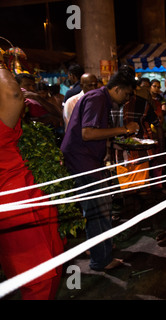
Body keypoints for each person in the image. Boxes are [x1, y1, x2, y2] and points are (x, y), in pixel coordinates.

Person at [60, 66, 139, 271]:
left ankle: (99, 246)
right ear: (119, 88)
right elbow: (88, 133)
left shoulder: (100, 98)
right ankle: (100, 259)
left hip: (87, 159)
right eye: (128, 94)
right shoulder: (97, 98)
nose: (127, 99)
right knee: (99, 207)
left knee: (98, 206)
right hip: (82, 159)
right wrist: (124, 129)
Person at [0, 51, 64, 299]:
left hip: (30, 197)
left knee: (55, 263)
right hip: (12, 207)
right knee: (37, 279)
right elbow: (14, 95)